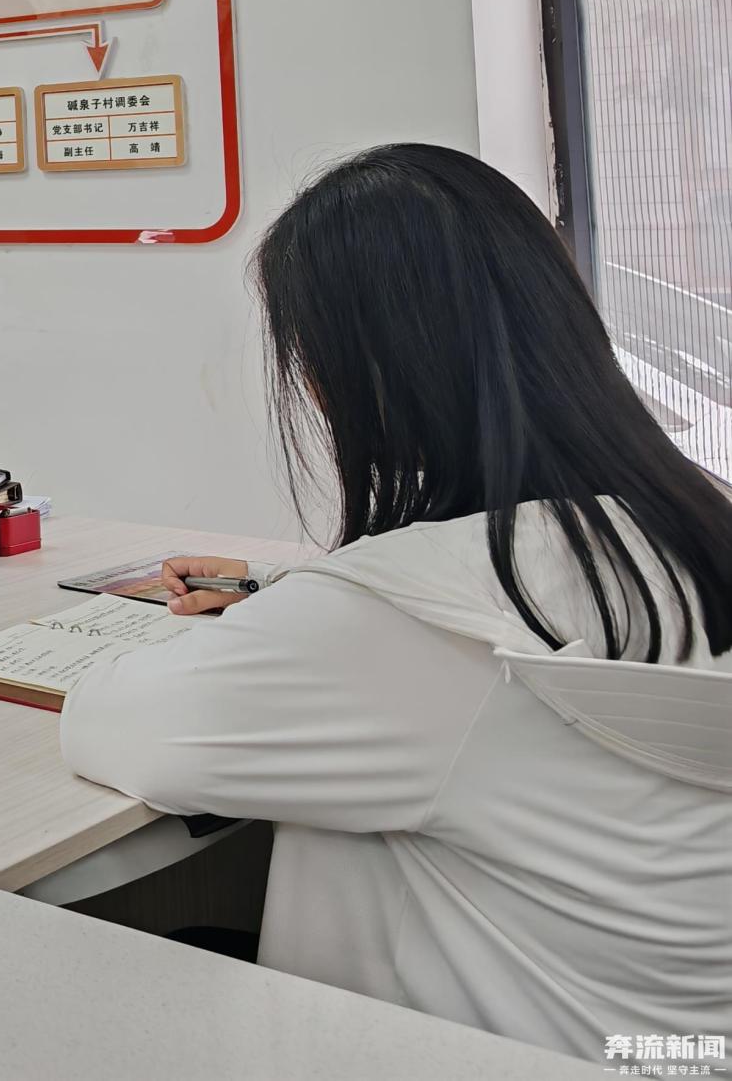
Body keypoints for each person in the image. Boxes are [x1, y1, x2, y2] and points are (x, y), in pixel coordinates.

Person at [58, 143, 732, 1057]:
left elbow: (120, 724)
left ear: (367, 372)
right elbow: (467, 653)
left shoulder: (409, 624)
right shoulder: (683, 519)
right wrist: (291, 597)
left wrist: (319, 615)